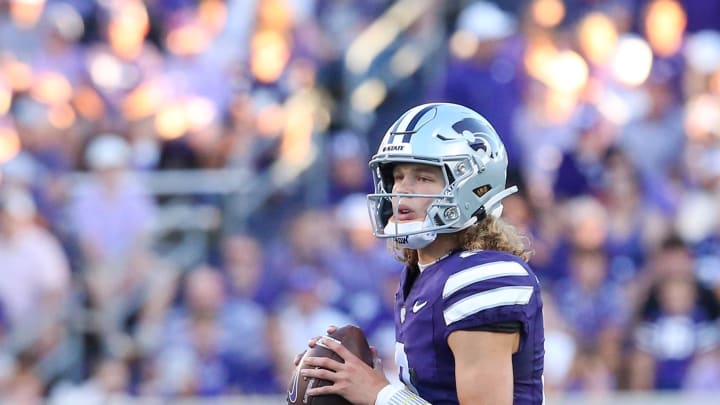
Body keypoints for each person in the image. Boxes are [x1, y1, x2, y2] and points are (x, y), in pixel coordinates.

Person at [297, 103, 545, 404]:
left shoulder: (482, 277)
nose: (401, 190)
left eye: (423, 177)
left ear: (472, 186)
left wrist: (379, 393)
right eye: (398, 176)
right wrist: (359, 379)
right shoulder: (421, 274)